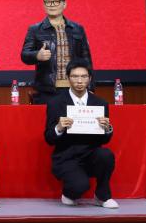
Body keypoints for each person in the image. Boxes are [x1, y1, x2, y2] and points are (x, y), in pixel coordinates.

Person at [44, 59, 118, 208]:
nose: (79, 81)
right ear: (68, 78)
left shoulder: (100, 103)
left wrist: (107, 128)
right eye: (75, 76)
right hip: (66, 157)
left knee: (106, 155)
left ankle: (102, 196)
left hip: (90, 154)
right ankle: (68, 193)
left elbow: (105, 140)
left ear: (89, 78)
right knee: (80, 186)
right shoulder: (55, 103)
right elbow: (48, 138)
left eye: (84, 76)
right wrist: (59, 128)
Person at [21, 0, 93, 104]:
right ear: (44, 5)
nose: (52, 5)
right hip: (47, 89)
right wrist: (37, 55)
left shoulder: (77, 29)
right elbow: (24, 55)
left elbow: (86, 59)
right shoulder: (35, 29)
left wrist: (90, 87)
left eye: (57, 1)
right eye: (48, 2)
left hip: (75, 88)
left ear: (64, 4)